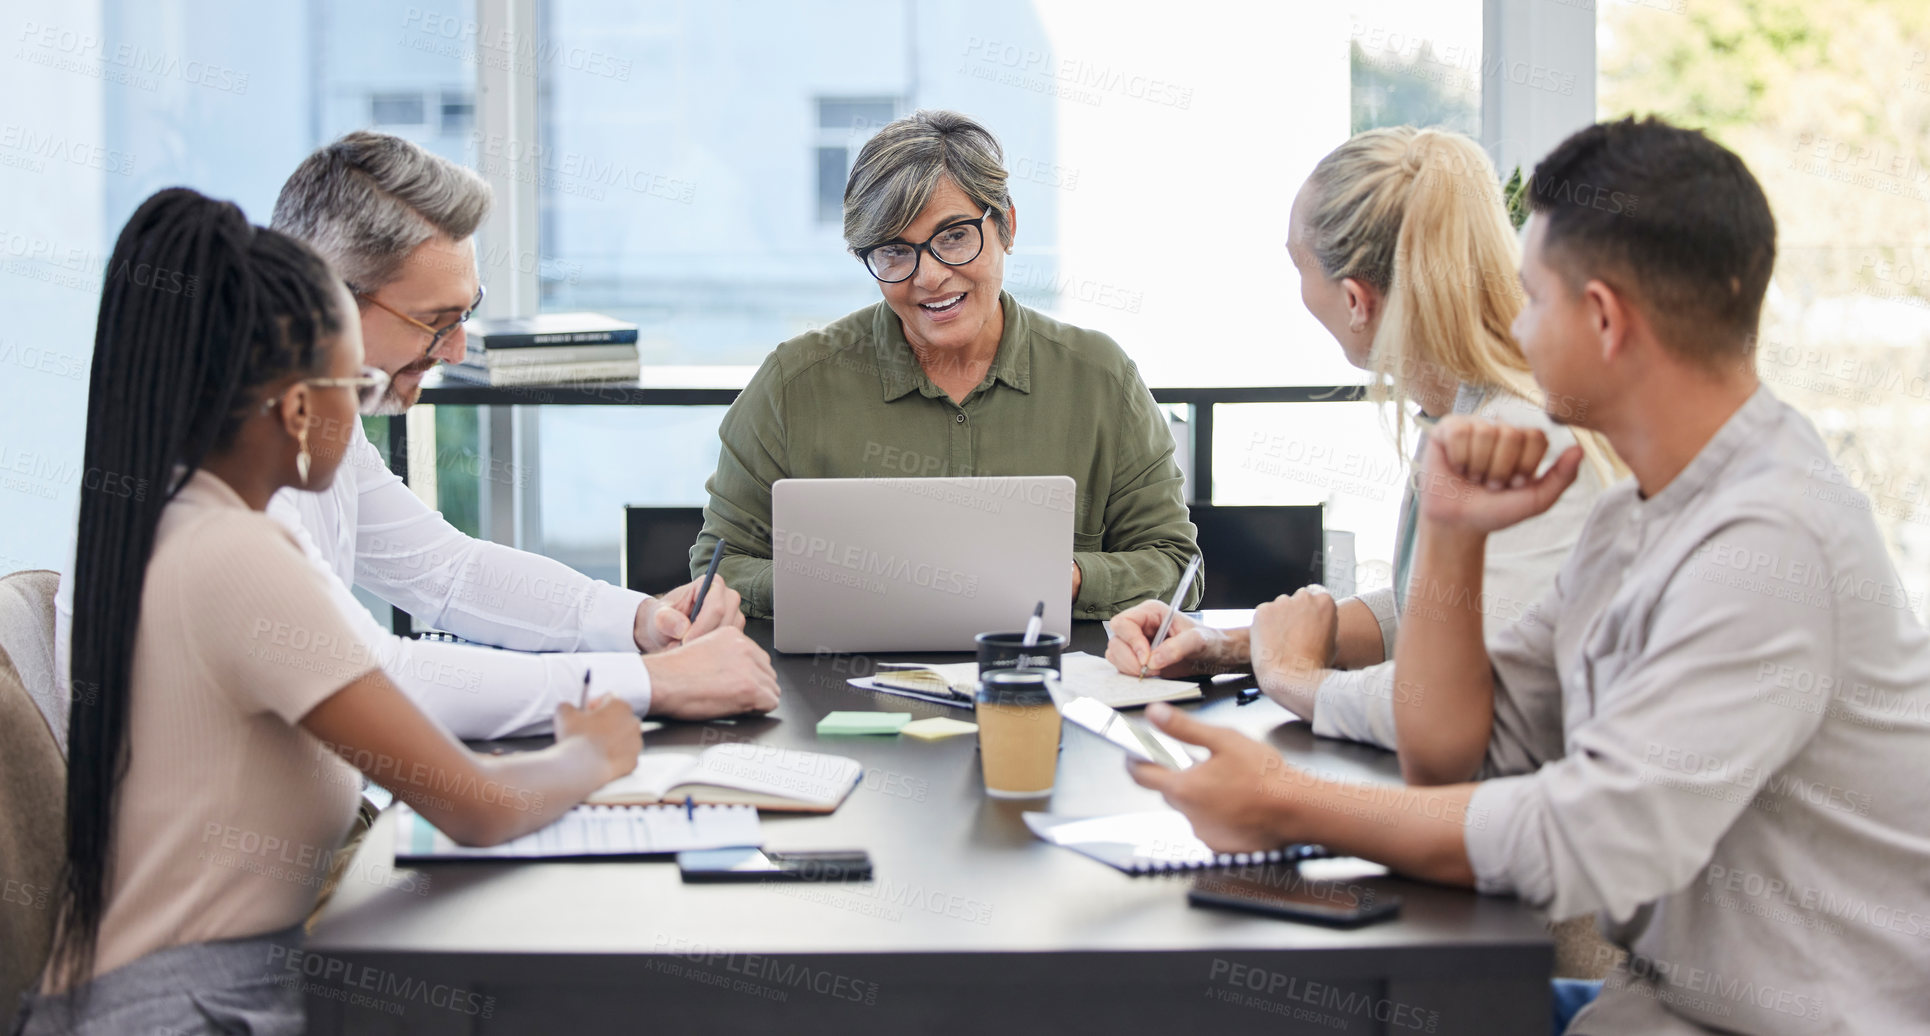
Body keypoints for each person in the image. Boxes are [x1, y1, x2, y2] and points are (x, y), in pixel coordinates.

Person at [1127, 118, 1930, 1035]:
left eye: (1531, 297)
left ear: (1602, 319)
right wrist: (1455, 538)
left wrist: (1285, 801)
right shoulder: (1643, 516)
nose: (1512, 325)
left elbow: (1580, 838)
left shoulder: (1771, 544)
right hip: (1663, 999)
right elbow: (1462, 743)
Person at [21, 189, 641, 1034]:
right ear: (299, 407)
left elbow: (448, 571)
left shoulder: (175, 518)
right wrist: (594, 751)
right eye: (356, 381)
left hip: (191, 985)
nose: (370, 406)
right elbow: (475, 804)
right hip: (195, 1006)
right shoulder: (235, 556)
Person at [48, 131, 778, 745]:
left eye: (469, 313)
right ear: (325, 295)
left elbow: (448, 572)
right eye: (438, 321)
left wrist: (640, 621)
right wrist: (649, 684)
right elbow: (383, 676)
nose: (458, 351)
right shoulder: (228, 498)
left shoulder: (305, 436)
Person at [1106, 127, 1619, 784]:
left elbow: (1474, 713)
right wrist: (1227, 646)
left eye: (1298, 267)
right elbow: (1434, 612)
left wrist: (1294, 676)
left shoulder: (1526, 440)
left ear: (1355, 300)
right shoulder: (1466, 415)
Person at [691, 109, 1200, 620]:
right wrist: (838, 583)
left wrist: (1064, 578)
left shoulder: (1101, 379)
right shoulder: (792, 385)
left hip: (1047, 688)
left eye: (954, 235)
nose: (930, 277)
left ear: (1007, 225)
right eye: (894, 250)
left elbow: (1177, 569)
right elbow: (720, 569)